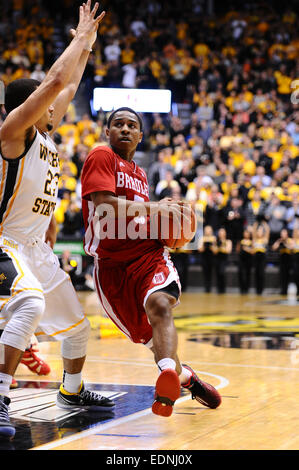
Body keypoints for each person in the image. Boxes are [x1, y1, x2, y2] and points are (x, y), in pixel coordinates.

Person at [0, 1, 114, 440]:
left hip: (37, 250)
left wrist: (85, 47)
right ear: (30, 108)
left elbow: (67, 85)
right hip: (6, 243)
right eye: (47, 105)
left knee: (78, 331)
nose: (57, 107)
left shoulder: (45, 132)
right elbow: (56, 81)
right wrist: (80, 38)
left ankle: (72, 391)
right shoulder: (14, 133)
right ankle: (1, 394)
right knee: (30, 304)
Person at [81, 106, 221, 418]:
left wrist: (169, 231)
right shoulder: (101, 156)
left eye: (132, 125)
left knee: (160, 304)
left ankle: (167, 378)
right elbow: (103, 207)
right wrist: (156, 209)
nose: (125, 129)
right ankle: (186, 378)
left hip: (147, 255)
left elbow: (146, 217)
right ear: (108, 132)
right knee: (148, 340)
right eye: (118, 124)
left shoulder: (141, 174)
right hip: (111, 268)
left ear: (141, 136)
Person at [272, 228, 293, 295]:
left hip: (289, 260)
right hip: (282, 260)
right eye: (282, 233)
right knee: (282, 276)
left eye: (284, 233)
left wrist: (285, 244)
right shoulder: (279, 240)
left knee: (288, 276)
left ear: (287, 234)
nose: (283, 234)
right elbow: (274, 248)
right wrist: (279, 242)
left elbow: (292, 247)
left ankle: (288, 289)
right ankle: (283, 290)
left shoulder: (289, 240)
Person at [252, 220, 270, 295]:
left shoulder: (264, 239)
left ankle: (261, 289)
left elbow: (268, 231)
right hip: (256, 257)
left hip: (262, 258)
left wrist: (264, 224)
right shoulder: (255, 239)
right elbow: (253, 231)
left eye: (261, 231)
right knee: (256, 273)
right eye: (258, 231)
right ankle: (257, 289)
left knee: (261, 273)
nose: (259, 232)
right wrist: (256, 224)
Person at [212, 228, 232, 294]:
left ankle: (223, 288)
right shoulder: (216, 241)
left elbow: (228, 250)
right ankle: (218, 289)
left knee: (222, 272)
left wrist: (220, 247)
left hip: (224, 259)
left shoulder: (228, 241)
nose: (221, 233)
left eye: (222, 232)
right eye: (220, 232)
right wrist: (218, 247)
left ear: (225, 233)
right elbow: (214, 251)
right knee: (217, 273)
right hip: (217, 259)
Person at [198, 225, 216, 293]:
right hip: (204, 258)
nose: (208, 232)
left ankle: (210, 287)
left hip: (211, 258)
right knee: (205, 273)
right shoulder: (202, 238)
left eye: (209, 230)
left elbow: (215, 250)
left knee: (210, 273)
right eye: (206, 230)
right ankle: (206, 287)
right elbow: (200, 250)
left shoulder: (213, 238)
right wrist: (204, 245)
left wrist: (212, 246)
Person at [238, 227, 253, 294]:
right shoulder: (241, 241)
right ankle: (241, 288)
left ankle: (247, 288)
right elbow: (238, 250)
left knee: (247, 274)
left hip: (248, 261)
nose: (246, 234)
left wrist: (247, 249)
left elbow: (253, 251)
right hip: (241, 260)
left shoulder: (251, 242)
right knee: (241, 274)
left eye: (247, 233)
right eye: (245, 232)